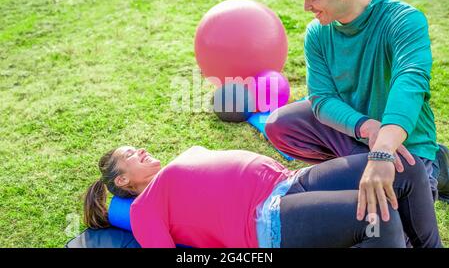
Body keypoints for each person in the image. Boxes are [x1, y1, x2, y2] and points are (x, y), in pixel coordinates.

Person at [265, 0, 446, 227]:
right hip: (357, 133)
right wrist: (365, 126)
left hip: (404, 146)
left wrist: (383, 148)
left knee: (390, 232)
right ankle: (355, 166)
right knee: (281, 124)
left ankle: (437, 165)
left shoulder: (404, 21)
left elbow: (409, 83)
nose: (306, 7)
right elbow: (322, 99)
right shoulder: (318, 33)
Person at [84, 145, 442, 248]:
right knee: (377, 218)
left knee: (402, 165)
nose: (141, 149)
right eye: (130, 154)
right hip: (266, 219)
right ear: (123, 179)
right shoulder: (145, 209)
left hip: (292, 180)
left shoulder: (178, 161)